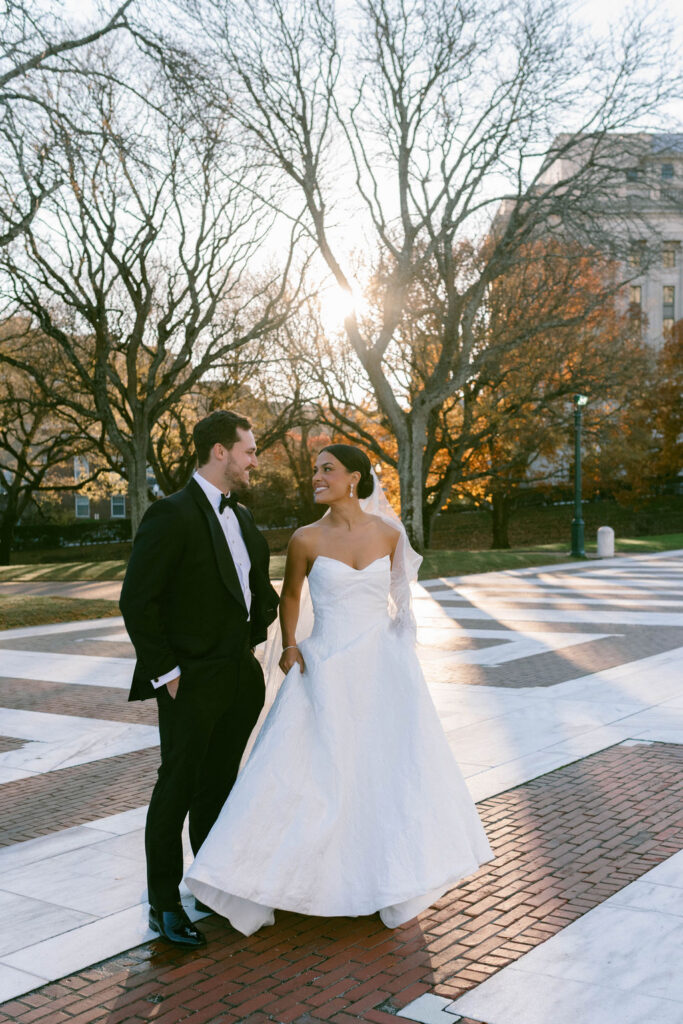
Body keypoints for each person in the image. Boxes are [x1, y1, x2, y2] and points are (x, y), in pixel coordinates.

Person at [185, 443, 493, 935]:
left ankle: (382, 880)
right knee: (306, 775)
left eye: (327, 469)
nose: (316, 477)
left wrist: (401, 651)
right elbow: (290, 596)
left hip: (380, 670)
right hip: (323, 666)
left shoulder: (390, 534)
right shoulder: (305, 538)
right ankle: (278, 880)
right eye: (315, 470)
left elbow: (402, 599)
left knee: (380, 773)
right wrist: (290, 645)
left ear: (354, 478)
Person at [120, 410, 279, 947]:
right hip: (188, 681)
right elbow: (137, 601)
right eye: (249, 450)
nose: (255, 460)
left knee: (219, 787)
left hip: (239, 677)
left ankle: (210, 885)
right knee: (177, 788)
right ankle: (163, 905)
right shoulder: (170, 514)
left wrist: (253, 642)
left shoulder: (243, 516)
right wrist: (168, 674)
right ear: (220, 451)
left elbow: (255, 589)